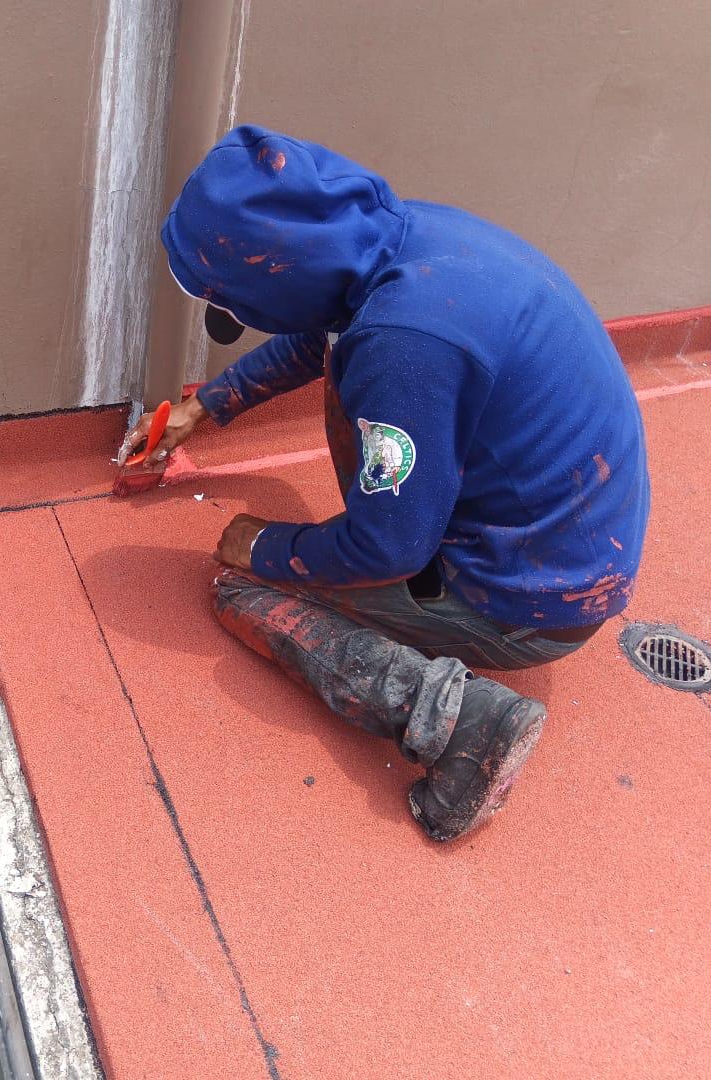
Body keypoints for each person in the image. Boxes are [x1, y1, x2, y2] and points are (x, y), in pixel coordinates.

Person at [119, 126, 649, 841]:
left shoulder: (402, 350)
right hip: (568, 540)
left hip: (531, 601)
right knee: (357, 379)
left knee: (241, 592)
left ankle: (464, 720)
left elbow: (390, 547)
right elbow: (324, 330)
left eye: (234, 303)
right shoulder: (398, 240)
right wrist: (208, 405)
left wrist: (265, 547)